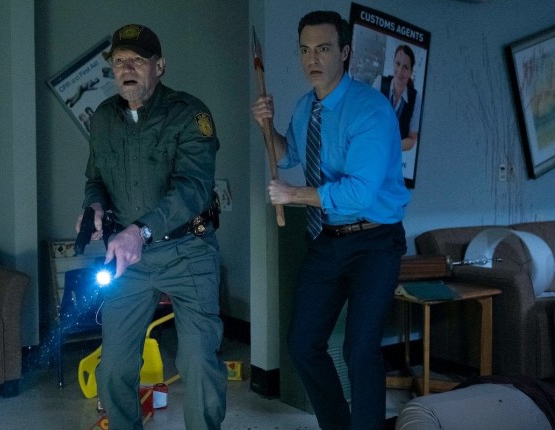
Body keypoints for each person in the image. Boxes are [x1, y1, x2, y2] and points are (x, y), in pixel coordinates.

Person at [252, 11, 410, 430]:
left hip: (375, 241)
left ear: (345, 52)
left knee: (360, 350)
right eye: (305, 50)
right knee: (302, 343)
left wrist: (293, 195)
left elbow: (359, 193)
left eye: (323, 49)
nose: (312, 59)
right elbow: (288, 155)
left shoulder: (370, 110)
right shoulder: (306, 107)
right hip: (328, 238)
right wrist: (267, 127)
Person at [76, 23, 227, 430]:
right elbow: (96, 178)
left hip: (188, 251)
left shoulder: (189, 114)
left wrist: (140, 231)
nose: (126, 68)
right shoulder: (103, 119)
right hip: (130, 261)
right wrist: (93, 205)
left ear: (159, 67)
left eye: (137, 61)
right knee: (113, 369)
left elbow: (193, 188)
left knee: (197, 362)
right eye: (118, 61)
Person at [372, 44, 421, 151]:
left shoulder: (415, 98)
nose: (400, 71)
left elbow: (412, 138)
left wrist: (392, 146)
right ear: (393, 63)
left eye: (405, 67)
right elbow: (367, 118)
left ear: (411, 72)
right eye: (398, 64)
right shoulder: (380, 83)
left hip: (396, 155)